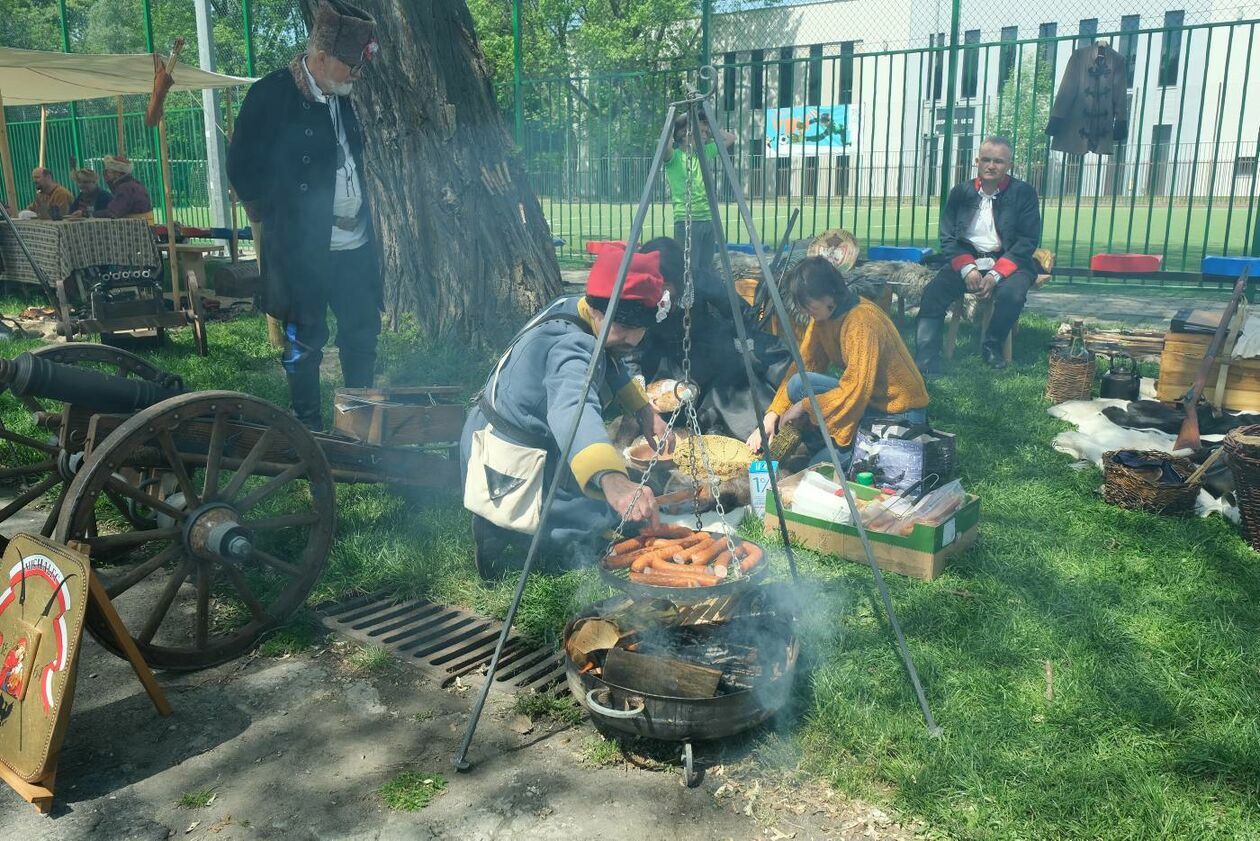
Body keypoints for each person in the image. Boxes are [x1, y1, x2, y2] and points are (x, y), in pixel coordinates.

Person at [461, 247, 670, 579]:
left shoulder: (579, 308)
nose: (632, 337)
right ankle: (500, 531)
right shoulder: (573, 347)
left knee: (598, 507)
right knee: (583, 524)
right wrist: (613, 480)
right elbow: (573, 408)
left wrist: (643, 408)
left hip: (497, 431)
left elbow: (610, 359)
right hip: (510, 454)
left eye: (639, 327)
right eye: (624, 325)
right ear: (599, 310)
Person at [228, 0, 381, 430]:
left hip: (356, 242)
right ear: (319, 57)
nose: (356, 73)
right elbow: (241, 165)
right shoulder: (270, 94)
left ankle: (357, 422)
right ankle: (308, 427)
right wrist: (277, 218)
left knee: (361, 333)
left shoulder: (344, 96)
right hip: (302, 248)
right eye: (349, 64)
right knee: (306, 338)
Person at [747, 256, 929, 469]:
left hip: (898, 414)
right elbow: (804, 366)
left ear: (829, 295)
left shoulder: (862, 323)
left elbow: (855, 391)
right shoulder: (824, 317)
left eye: (807, 303)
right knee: (798, 383)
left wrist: (804, 406)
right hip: (868, 402)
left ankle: (844, 443)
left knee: (814, 470)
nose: (804, 310)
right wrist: (772, 414)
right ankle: (832, 439)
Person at [915, 136, 1042, 372]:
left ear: (1009, 165)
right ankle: (926, 355)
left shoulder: (1024, 193)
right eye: (986, 159)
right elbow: (948, 237)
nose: (991, 166)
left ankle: (991, 346)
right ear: (977, 161)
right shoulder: (960, 192)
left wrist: (995, 274)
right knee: (934, 292)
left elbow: (1027, 241)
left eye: (998, 161)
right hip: (967, 258)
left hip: (1010, 259)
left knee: (1012, 295)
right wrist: (967, 268)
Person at [664, 115, 736, 313]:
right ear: (683, 134)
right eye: (700, 133)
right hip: (687, 221)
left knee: (705, 269)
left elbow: (730, 139)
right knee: (689, 270)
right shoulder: (675, 157)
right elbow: (664, 146)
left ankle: (702, 308)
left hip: (707, 219)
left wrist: (709, 128)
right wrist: (679, 122)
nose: (704, 137)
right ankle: (685, 310)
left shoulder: (704, 152)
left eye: (705, 133)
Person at [98, 155, 155, 221]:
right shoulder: (133, 184)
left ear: (118, 174)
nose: (106, 175)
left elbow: (114, 212)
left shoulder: (125, 188)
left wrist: (92, 214)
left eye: (108, 172)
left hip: (135, 228)